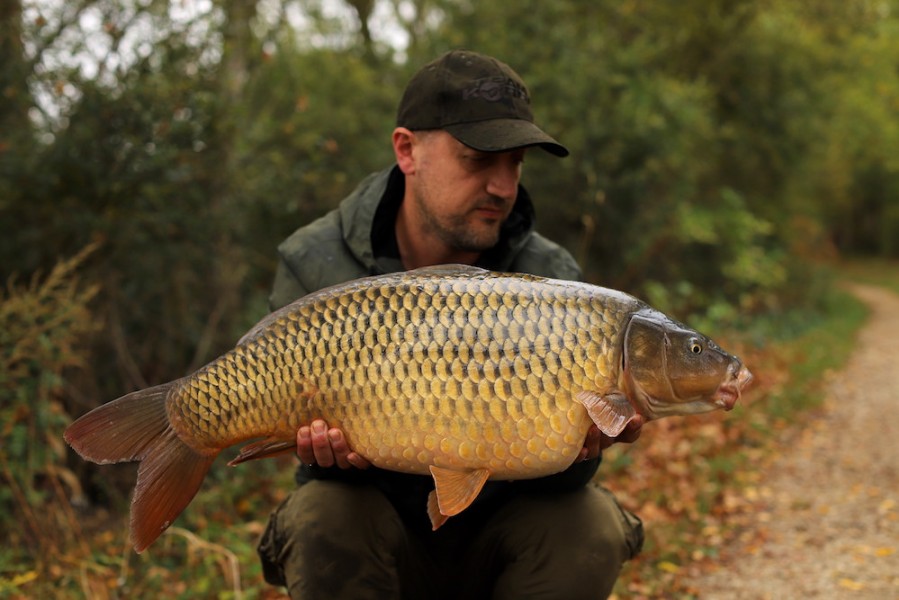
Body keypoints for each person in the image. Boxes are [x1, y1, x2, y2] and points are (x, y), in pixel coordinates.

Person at [257, 49, 645, 600]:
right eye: (478, 159)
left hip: (501, 541)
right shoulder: (316, 262)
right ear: (407, 150)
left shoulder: (552, 278)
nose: (503, 187)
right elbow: (318, 472)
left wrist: (584, 446)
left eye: (516, 164)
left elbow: (566, 485)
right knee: (324, 514)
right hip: (377, 534)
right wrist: (320, 449)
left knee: (591, 524)